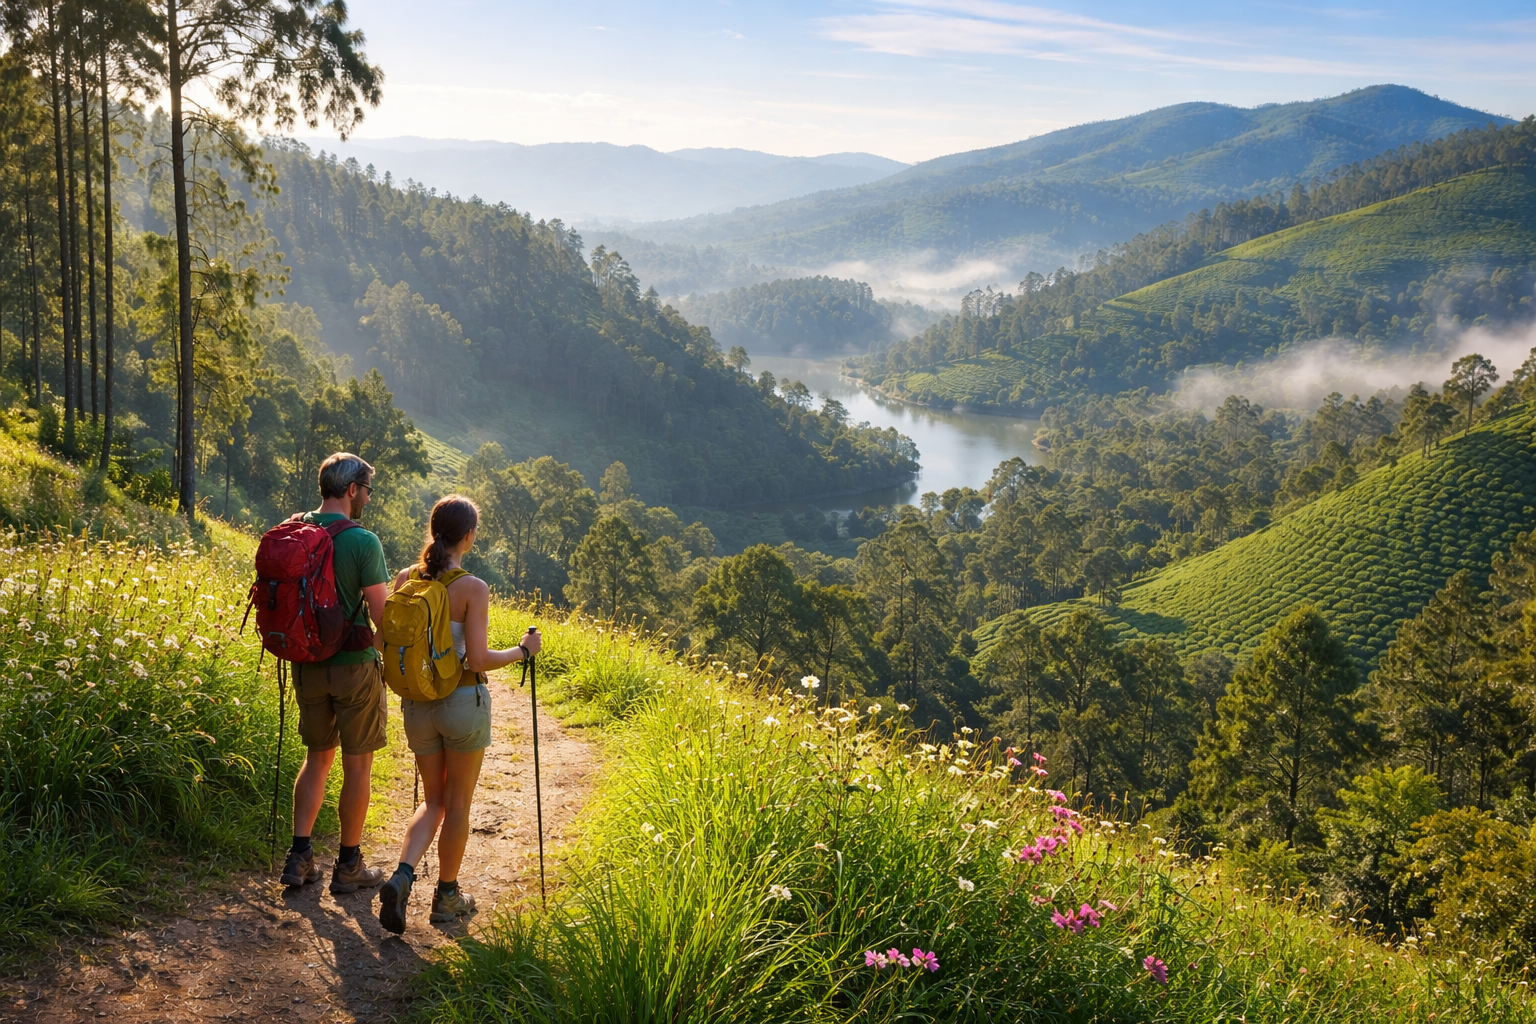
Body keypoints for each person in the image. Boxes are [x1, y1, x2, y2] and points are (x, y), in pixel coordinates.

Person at [377, 495, 540, 933]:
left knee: (432, 801)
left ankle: (402, 875)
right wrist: (523, 651)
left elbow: (384, 643)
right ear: (468, 536)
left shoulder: (405, 579)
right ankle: (447, 897)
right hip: (462, 704)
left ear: (433, 530)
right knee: (458, 802)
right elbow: (479, 660)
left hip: (417, 707)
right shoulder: (472, 588)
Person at [280, 452, 391, 895]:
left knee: (316, 758)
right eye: (366, 489)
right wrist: (382, 652)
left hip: (306, 664)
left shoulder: (295, 527)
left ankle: (299, 856)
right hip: (352, 668)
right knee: (357, 765)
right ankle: (349, 865)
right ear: (351, 490)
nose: (367, 497)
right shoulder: (363, 542)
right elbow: (383, 619)